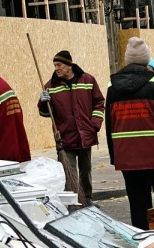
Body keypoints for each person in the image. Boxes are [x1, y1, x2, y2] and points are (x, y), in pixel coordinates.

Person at [106, 37, 154, 229]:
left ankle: (143, 240)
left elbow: (110, 125)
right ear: (146, 59)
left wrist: (114, 155)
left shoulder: (112, 87)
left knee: (137, 203)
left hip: (127, 157)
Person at [38, 50, 105, 206]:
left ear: (69, 65)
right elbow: (45, 113)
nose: (56, 68)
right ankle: (75, 200)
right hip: (65, 136)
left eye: (59, 65)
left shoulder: (88, 80)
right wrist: (42, 101)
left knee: (86, 170)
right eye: (55, 65)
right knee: (70, 172)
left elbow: (99, 103)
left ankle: (87, 198)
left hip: (85, 134)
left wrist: (95, 124)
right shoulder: (50, 86)